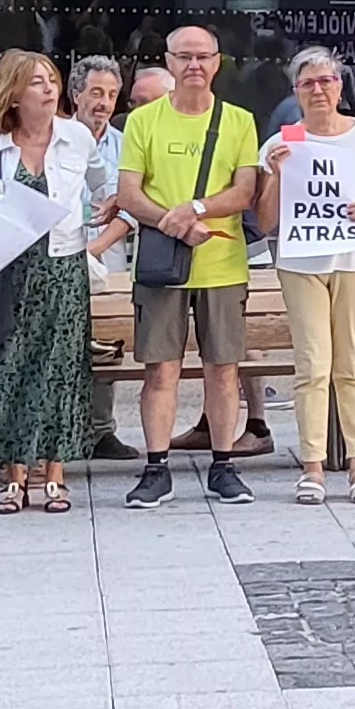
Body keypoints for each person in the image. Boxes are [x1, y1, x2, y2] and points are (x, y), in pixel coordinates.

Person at [114, 25, 262, 508]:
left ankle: (223, 465)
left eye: (203, 56)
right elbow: (129, 193)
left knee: (223, 370)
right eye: (184, 56)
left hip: (223, 263)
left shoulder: (239, 121)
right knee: (160, 371)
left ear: (218, 62)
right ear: (169, 61)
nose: (194, 65)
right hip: (162, 266)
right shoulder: (143, 121)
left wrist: (195, 209)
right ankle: (156, 468)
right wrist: (176, 224)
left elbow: (244, 191)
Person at [0, 49, 103, 513]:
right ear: (14, 93)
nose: (49, 89)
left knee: (62, 368)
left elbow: (103, 183)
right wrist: (8, 199)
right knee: (11, 366)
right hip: (9, 265)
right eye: (37, 82)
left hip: (62, 266)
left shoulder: (76, 136)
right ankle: (14, 475)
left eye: (52, 80)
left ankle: (56, 474)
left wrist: (106, 210)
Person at [263, 47, 355, 504]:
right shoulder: (283, 141)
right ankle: (312, 466)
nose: (319, 90)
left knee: (352, 364)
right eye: (308, 83)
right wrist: (275, 174)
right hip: (302, 261)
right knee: (312, 364)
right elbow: (266, 220)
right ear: (296, 91)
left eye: (326, 81)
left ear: (340, 86)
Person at [65, 55, 141, 462]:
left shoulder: (126, 144)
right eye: (96, 93)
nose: (104, 103)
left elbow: (131, 207)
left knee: (105, 343)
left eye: (112, 94)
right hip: (57, 256)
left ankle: (101, 430)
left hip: (106, 258)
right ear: (75, 94)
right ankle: (62, 430)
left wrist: (92, 251)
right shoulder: (55, 138)